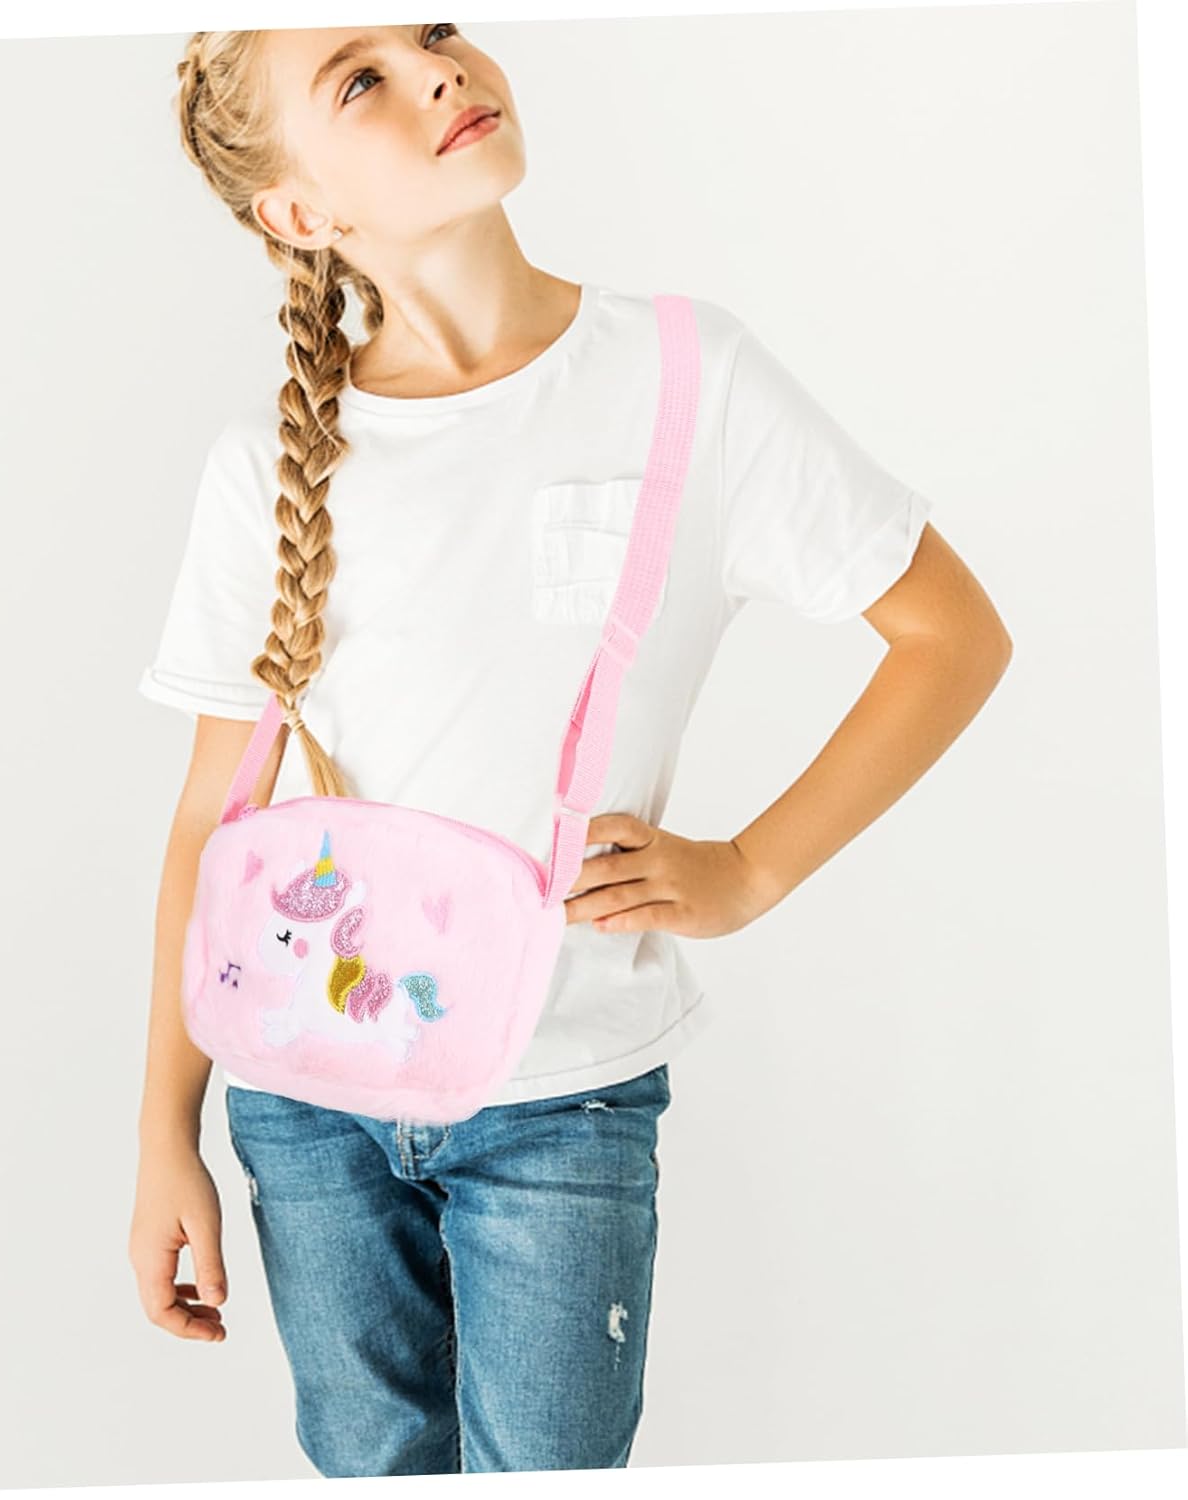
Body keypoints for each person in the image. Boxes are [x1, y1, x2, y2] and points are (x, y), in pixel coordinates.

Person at [127, 23, 1012, 1479]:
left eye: (432, 30)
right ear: (298, 212)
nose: (439, 70)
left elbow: (952, 634)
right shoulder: (269, 468)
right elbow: (208, 827)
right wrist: (167, 1126)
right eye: (362, 81)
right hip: (303, 1102)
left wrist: (750, 869)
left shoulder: (688, 378)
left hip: (562, 1100)